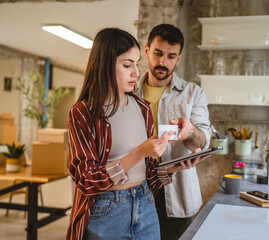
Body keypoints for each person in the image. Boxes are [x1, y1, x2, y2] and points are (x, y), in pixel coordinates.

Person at [66, 28, 205, 240]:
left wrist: (174, 167)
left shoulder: (142, 107)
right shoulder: (83, 113)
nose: (136, 73)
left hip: (145, 205)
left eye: (136, 64)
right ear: (105, 65)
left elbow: (149, 175)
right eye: (127, 65)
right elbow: (86, 181)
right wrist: (140, 152)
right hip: (106, 212)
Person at [137, 24, 211, 239]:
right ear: (147, 51)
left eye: (171, 56)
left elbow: (202, 141)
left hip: (176, 191)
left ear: (178, 59)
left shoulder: (193, 93)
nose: (163, 62)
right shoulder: (129, 91)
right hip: (135, 189)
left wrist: (190, 132)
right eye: (158, 53)